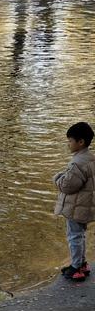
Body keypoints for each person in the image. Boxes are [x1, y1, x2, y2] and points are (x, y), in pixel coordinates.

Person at [54, 121, 95, 282]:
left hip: (76, 207)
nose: (68, 144)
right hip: (85, 206)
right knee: (80, 235)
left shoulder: (77, 163)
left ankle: (76, 267)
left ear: (80, 142)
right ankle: (82, 263)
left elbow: (68, 186)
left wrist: (58, 178)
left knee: (74, 236)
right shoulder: (91, 158)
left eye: (70, 140)